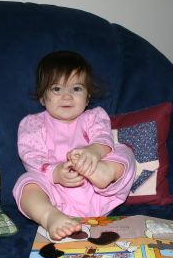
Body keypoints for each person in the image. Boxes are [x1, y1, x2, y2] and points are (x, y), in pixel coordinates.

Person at [13, 51, 135, 241]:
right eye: (56, 89)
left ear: (87, 98)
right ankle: (49, 216)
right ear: (42, 97)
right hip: (57, 197)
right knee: (26, 182)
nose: (67, 97)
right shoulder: (33, 124)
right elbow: (31, 156)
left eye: (76, 89)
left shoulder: (94, 116)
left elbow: (103, 136)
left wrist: (94, 151)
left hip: (98, 191)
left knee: (124, 151)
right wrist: (56, 173)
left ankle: (107, 172)